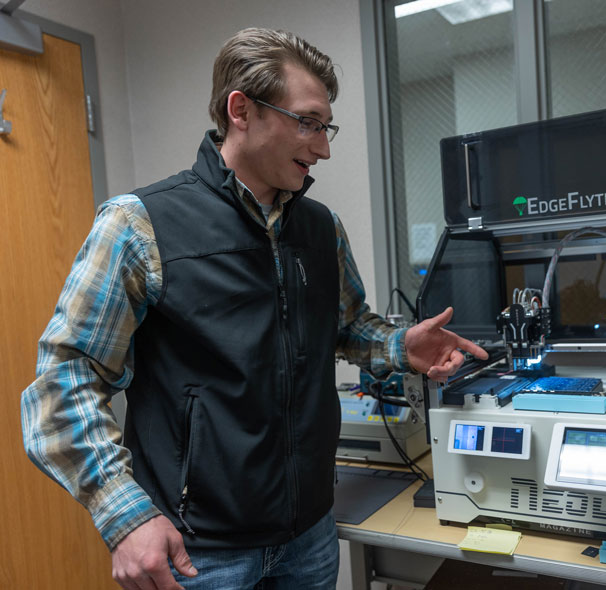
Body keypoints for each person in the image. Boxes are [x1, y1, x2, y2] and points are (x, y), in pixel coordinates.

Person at [20, 27, 487, 590]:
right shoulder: (139, 225)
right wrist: (124, 515)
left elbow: (345, 327)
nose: (324, 147)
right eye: (308, 122)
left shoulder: (320, 228)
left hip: (309, 536)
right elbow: (63, 382)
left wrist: (397, 345)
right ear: (241, 110)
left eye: (326, 126)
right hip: (199, 552)